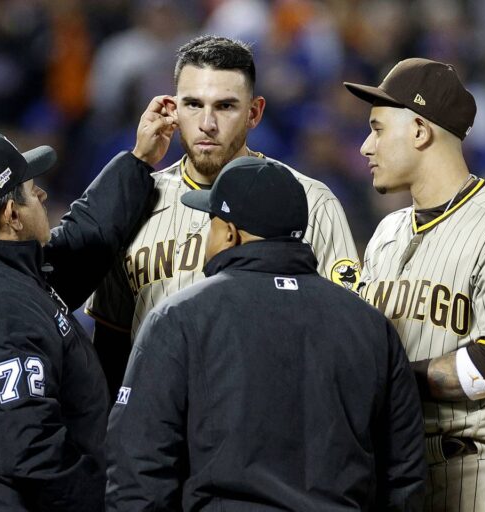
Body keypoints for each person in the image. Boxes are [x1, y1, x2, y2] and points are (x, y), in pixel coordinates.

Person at [105, 156, 426, 511]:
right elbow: (405, 476)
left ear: (229, 233)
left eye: (211, 224)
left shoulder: (179, 318)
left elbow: (138, 467)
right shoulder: (370, 326)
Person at [0, 99, 175, 511]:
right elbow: (33, 455)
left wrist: (137, 160)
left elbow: (78, 244)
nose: (41, 192)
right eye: (30, 190)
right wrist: (110, 503)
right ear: (11, 215)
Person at [87, 35, 360, 398]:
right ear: (172, 109)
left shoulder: (313, 202)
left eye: (226, 106)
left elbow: (345, 336)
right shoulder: (134, 200)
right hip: (157, 428)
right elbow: (111, 343)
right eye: (193, 105)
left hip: (266, 427)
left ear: (255, 112)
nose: (207, 123)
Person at [345, 58, 485, 510]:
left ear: (420, 131)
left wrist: (390, 382)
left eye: (378, 129)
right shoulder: (386, 233)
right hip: (397, 476)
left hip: (482, 474)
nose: (366, 146)